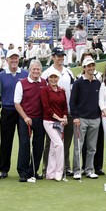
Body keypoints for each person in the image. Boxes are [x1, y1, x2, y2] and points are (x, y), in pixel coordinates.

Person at [42, 47, 75, 177]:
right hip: (52, 114)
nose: (60, 58)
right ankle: (47, 168)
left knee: (65, 142)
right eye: (58, 56)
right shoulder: (47, 72)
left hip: (67, 112)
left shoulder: (69, 72)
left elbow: (71, 92)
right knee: (50, 143)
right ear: (53, 57)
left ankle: (65, 167)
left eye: (62, 55)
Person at [0, 49, 29, 179]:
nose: (14, 60)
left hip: (22, 112)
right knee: (6, 141)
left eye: (16, 58)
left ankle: (23, 169)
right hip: (7, 111)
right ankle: (4, 169)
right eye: (11, 58)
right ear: (7, 60)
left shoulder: (26, 74)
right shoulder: (1, 76)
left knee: (24, 141)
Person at [14, 60, 47, 182]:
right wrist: (25, 117)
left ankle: (33, 171)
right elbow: (17, 103)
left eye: (38, 69)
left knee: (38, 146)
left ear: (41, 71)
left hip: (40, 118)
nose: (36, 71)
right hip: (25, 118)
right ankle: (22, 172)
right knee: (24, 145)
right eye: (34, 69)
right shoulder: (21, 83)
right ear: (29, 70)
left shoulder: (44, 83)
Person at [70, 57, 102, 180]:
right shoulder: (78, 82)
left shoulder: (97, 82)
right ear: (84, 68)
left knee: (92, 147)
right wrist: (76, 116)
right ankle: (77, 170)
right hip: (81, 119)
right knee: (79, 146)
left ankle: (89, 169)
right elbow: (73, 101)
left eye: (93, 66)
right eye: (88, 66)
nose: (91, 68)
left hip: (95, 119)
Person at [41, 68, 68, 181]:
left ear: (58, 78)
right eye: (51, 77)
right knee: (59, 145)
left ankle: (50, 173)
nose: (53, 79)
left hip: (59, 122)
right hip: (49, 121)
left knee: (53, 147)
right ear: (48, 78)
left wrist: (65, 117)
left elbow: (64, 107)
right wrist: (60, 118)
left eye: (55, 77)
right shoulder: (45, 90)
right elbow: (46, 108)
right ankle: (59, 172)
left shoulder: (62, 91)